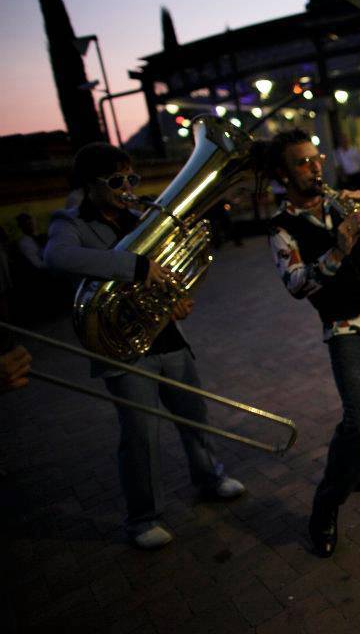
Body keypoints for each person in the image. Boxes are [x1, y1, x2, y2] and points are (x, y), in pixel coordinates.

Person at [43, 143, 245, 551]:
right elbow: (56, 256)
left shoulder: (141, 219)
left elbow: (163, 276)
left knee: (194, 415)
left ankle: (209, 477)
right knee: (140, 435)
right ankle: (142, 518)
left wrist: (177, 300)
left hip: (166, 337)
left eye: (130, 178)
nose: (126, 187)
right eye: (116, 181)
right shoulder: (72, 223)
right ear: (90, 185)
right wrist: (133, 266)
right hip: (123, 349)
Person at [265, 129, 360, 558]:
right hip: (345, 328)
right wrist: (339, 247)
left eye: (317, 159)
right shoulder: (282, 228)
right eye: (303, 162)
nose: (316, 168)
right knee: (357, 423)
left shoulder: (341, 202)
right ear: (284, 173)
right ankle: (326, 508)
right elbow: (296, 284)